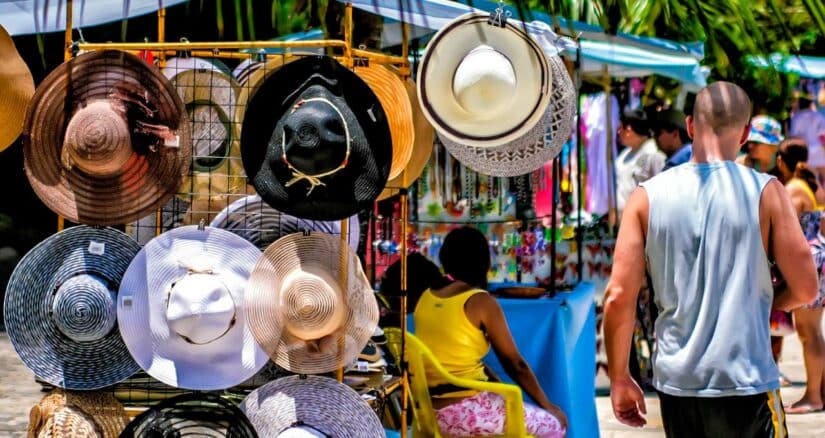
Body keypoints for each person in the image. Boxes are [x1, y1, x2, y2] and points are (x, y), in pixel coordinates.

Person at [604, 81, 818, 437]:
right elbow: (807, 288)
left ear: (690, 126)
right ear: (747, 132)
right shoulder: (766, 192)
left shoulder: (646, 197)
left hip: (678, 385)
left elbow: (617, 298)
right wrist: (767, 303)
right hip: (746, 381)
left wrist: (619, 378)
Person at [413, 226, 567, 437]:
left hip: (428, 412)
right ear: (483, 262)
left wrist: (497, 386)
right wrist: (548, 407)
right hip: (467, 412)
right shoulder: (480, 301)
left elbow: (453, 359)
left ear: (445, 258)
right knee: (553, 425)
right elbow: (516, 364)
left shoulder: (426, 298)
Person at [774, 139, 825, 414]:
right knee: (813, 332)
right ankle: (819, 393)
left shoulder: (793, 188)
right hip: (816, 257)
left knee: (809, 333)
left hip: (807, 261)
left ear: (782, 161)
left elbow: (785, 227)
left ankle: (814, 397)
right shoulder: (810, 185)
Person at [615, 108, 666, 218]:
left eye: (620, 128)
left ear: (628, 130)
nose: (618, 132)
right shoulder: (624, 154)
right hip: (621, 220)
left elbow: (662, 194)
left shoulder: (654, 154)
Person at [790, 92, 825, 186]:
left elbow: (794, 137)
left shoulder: (796, 118)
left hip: (804, 151)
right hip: (819, 150)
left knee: (807, 178)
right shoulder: (818, 116)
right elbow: (823, 135)